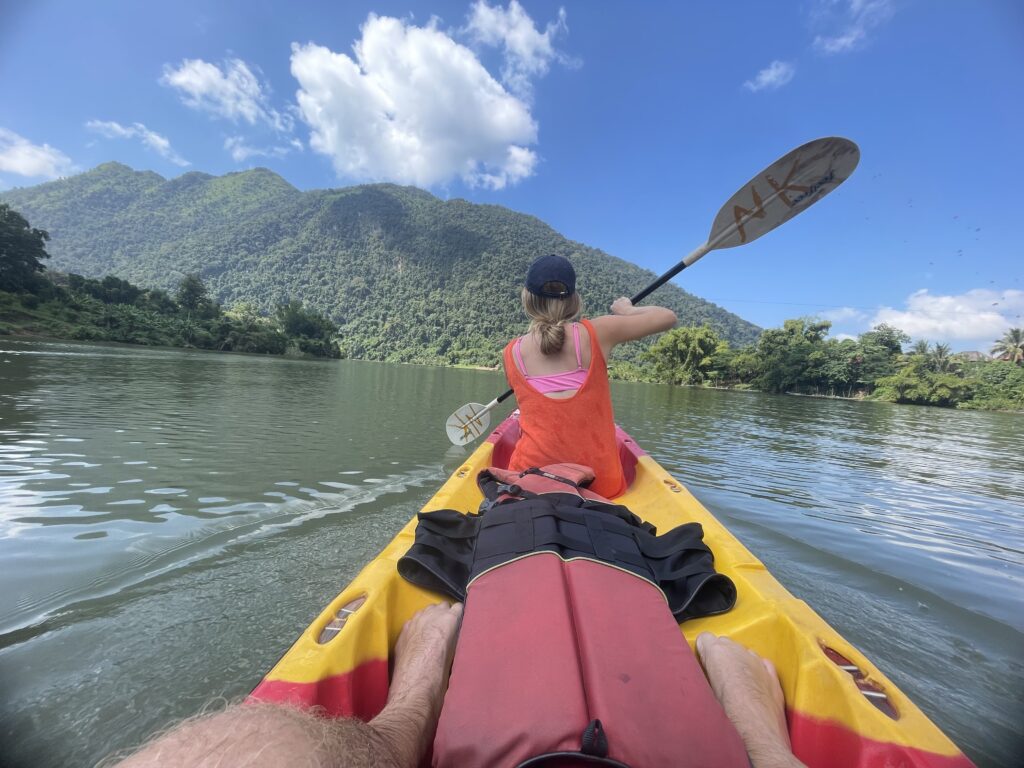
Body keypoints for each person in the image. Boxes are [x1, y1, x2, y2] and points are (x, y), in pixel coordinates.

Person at [106, 602, 801, 768]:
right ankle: (767, 753)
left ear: (530, 306)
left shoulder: (513, 351)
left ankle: (414, 697)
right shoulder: (594, 336)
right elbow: (663, 312)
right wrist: (620, 315)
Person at [504, 254, 677, 498]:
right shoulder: (598, 331)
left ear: (527, 299)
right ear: (574, 300)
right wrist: (626, 310)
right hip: (599, 484)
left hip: (530, 482)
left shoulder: (511, 352)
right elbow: (667, 317)